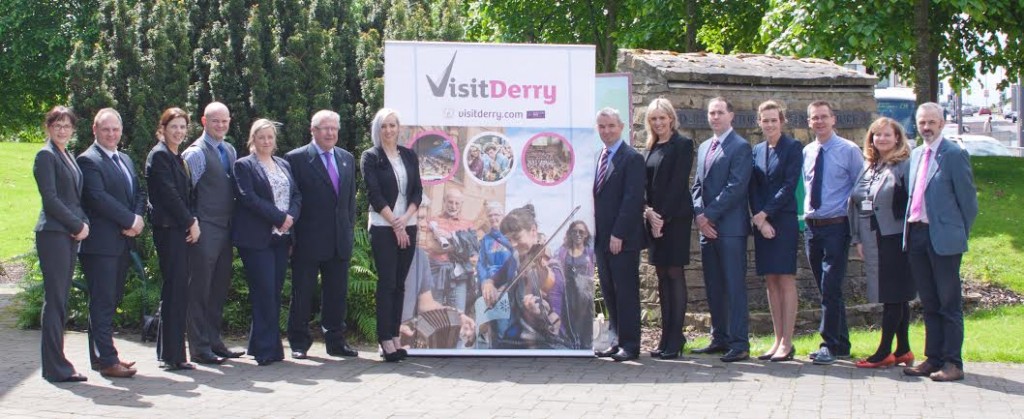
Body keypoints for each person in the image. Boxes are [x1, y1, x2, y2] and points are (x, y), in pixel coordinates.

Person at [902, 102, 978, 381]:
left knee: (949, 303)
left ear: (942, 123)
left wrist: (957, 233)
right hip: (917, 235)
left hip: (944, 238)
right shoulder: (917, 153)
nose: (926, 127)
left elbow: (968, 203)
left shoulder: (954, 155)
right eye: (922, 122)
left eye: (932, 122)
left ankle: (952, 362)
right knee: (929, 302)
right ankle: (932, 358)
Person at [76, 108, 146, 378]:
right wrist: (129, 220)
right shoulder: (88, 160)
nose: (111, 134)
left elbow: (139, 191)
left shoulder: (125, 159)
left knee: (110, 299)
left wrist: (138, 217)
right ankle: (107, 359)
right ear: (95, 130)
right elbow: (97, 197)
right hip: (100, 245)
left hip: (121, 244)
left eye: (116, 129)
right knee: (103, 302)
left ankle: (101, 357)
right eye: (106, 129)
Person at [285, 110, 359, 360]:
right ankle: (298, 342)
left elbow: (349, 202)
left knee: (336, 294)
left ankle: (336, 342)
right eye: (325, 128)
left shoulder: (347, 158)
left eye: (334, 128)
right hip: (307, 239)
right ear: (313, 130)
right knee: (302, 293)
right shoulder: (295, 159)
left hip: (339, 240)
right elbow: (290, 200)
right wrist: (291, 237)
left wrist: (349, 229)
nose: (330, 133)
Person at [849, 117, 916, 369]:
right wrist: (858, 238)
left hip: (895, 237)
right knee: (896, 295)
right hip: (872, 236)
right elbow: (857, 201)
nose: (882, 139)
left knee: (893, 295)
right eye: (877, 135)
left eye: (887, 135)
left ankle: (884, 352)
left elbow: (913, 202)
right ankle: (903, 349)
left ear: (897, 137)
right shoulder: (870, 165)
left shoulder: (904, 166)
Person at [232, 119, 301, 366]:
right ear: (253, 139)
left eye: (270, 137)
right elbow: (248, 198)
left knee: (274, 291)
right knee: (263, 291)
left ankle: (263, 344)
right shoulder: (244, 165)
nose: (266, 141)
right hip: (257, 238)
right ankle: (265, 349)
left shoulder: (283, 164)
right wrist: (279, 217)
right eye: (261, 137)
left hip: (282, 238)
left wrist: (291, 218)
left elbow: (295, 194)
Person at [181, 102, 244, 364]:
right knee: (199, 289)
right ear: (204, 122)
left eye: (225, 121)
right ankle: (198, 347)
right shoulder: (195, 153)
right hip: (203, 229)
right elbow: (185, 193)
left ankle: (214, 340)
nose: (221, 125)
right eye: (215, 121)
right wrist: (192, 223)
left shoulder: (228, 149)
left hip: (225, 228)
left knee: (218, 287)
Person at [691, 97, 753, 363]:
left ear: (731, 116)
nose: (715, 117)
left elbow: (736, 187)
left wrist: (709, 216)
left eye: (719, 112)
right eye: (711, 113)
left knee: (734, 287)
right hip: (708, 229)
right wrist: (699, 216)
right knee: (714, 286)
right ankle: (720, 338)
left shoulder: (740, 147)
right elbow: (697, 186)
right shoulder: (705, 146)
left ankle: (739, 343)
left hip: (729, 229)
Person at [802, 100, 864, 365]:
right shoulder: (807, 151)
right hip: (812, 228)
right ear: (809, 122)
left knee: (830, 285)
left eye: (824, 117)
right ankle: (841, 344)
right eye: (814, 118)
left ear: (833, 119)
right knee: (827, 288)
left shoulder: (849, 151)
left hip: (837, 226)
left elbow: (861, 190)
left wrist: (859, 233)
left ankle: (828, 342)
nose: (819, 122)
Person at [361, 108, 423, 362]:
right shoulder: (370, 157)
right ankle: (385, 338)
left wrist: (405, 220)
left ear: (399, 128)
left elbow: (417, 191)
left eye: (392, 125)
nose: (388, 130)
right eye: (384, 126)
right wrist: (395, 224)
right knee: (386, 283)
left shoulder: (408, 155)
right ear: (378, 129)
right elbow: (374, 194)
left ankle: (395, 336)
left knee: (400, 283)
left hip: (408, 224)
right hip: (383, 227)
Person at [34, 106, 90, 383]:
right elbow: (51, 200)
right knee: (55, 300)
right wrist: (77, 225)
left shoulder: (66, 154)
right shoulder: (45, 155)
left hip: (66, 234)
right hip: (54, 234)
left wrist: (83, 222)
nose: (62, 130)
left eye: (67, 125)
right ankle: (55, 367)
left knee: (61, 299)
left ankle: (58, 363)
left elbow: (73, 199)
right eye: (57, 125)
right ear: (48, 127)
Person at [748, 100, 803, 362]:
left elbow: (789, 185)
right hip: (762, 222)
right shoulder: (756, 150)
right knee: (770, 280)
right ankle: (776, 338)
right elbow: (754, 187)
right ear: (759, 122)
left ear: (782, 121)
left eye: (774, 119)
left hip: (783, 220)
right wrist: (759, 220)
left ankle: (788, 342)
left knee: (785, 278)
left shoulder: (793, 147)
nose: (769, 124)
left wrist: (766, 214)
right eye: (765, 120)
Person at [146, 107, 200, 371]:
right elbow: (169, 196)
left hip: (180, 230)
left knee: (178, 290)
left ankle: (173, 352)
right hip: (169, 230)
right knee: (175, 289)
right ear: (163, 129)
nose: (178, 131)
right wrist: (190, 222)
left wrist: (192, 220)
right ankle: (172, 355)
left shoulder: (178, 157)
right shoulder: (159, 157)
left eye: (182, 127)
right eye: (173, 127)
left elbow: (187, 195)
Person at [640, 98, 694, 360]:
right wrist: (649, 213)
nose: (658, 123)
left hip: (675, 221)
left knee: (674, 274)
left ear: (671, 118)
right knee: (661, 277)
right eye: (653, 119)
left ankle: (676, 338)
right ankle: (665, 337)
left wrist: (662, 218)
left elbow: (677, 185)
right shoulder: (649, 147)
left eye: (662, 118)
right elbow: (645, 187)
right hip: (653, 220)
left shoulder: (683, 145)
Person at [591, 107, 646, 362]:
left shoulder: (631, 158)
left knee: (625, 291)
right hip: (601, 239)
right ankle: (615, 339)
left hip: (621, 239)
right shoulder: (599, 156)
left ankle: (631, 344)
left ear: (621, 127)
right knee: (609, 291)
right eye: (602, 127)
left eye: (611, 126)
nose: (606, 131)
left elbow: (632, 200)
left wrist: (619, 234)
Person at [485, 205, 565, 349]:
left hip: (542, 340)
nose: (513, 244)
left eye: (516, 237)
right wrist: (489, 284)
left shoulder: (552, 267)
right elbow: (497, 277)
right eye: (509, 240)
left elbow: (555, 321)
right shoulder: (516, 257)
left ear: (533, 231)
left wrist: (539, 314)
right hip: (517, 332)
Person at [425, 187, 477, 313]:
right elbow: (431, 246)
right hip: (435, 273)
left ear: (461, 204)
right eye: (450, 202)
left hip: (458, 276)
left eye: (457, 203)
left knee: (457, 314)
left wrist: (447, 240)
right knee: (433, 313)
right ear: (444, 201)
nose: (453, 206)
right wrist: (459, 244)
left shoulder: (468, 224)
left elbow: (471, 251)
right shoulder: (433, 221)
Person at [554, 220, 596, 349]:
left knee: (584, 323)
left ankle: (585, 346)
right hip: (568, 295)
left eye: (581, 232)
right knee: (569, 323)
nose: (578, 234)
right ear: (570, 233)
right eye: (575, 231)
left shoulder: (590, 252)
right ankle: (572, 346)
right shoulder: (562, 251)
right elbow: (555, 267)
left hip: (585, 296)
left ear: (586, 235)